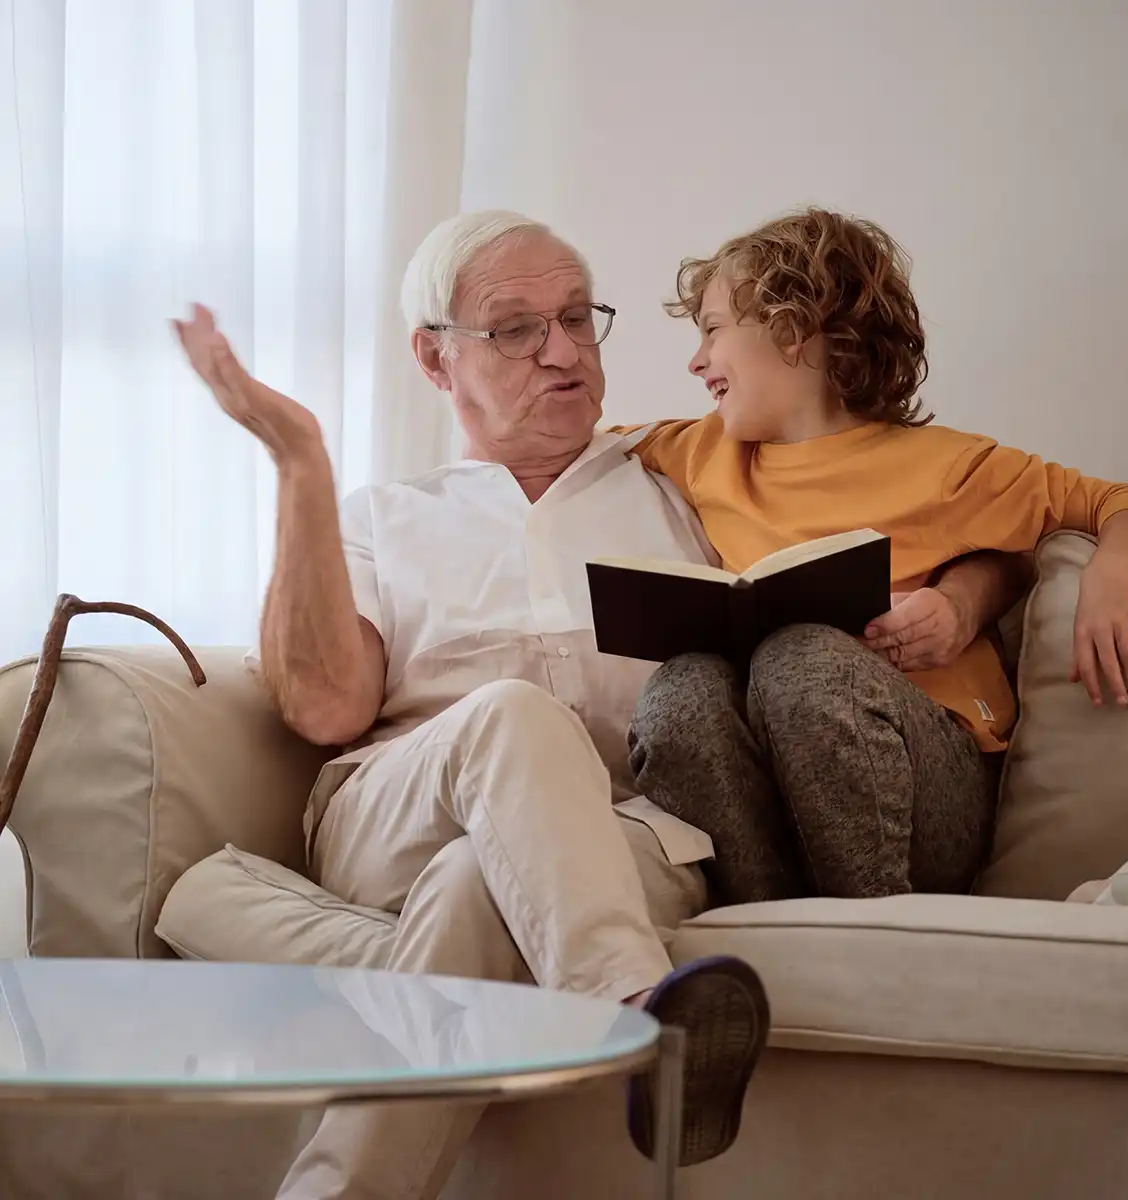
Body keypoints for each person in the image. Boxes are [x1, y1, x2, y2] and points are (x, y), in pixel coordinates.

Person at [172, 209, 1025, 1200]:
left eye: (580, 317)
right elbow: (324, 709)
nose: (565, 351)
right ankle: (628, 1008)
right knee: (508, 717)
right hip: (400, 808)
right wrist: (300, 465)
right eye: (518, 328)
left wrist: (964, 599)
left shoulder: (683, 483)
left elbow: (977, 525)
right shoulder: (384, 520)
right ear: (435, 359)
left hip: (626, 837)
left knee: (473, 890)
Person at [624, 207, 1128, 908]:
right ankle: (773, 921)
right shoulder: (700, 450)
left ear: (793, 327)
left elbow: (1124, 502)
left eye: (711, 330)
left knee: (803, 659)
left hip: (924, 790)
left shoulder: (944, 468)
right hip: (771, 801)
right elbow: (566, 449)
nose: (696, 362)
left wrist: (1110, 571)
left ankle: (872, 921)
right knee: (682, 688)